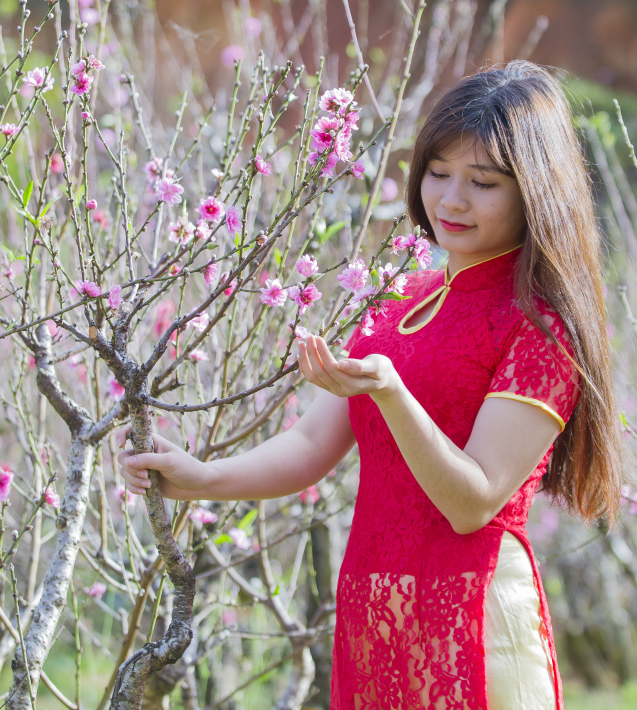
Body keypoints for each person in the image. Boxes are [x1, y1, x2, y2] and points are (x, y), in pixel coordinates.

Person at [118, 62, 623, 710]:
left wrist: (392, 393)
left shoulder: (539, 327)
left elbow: (472, 503)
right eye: (437, 172)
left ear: (535, 192)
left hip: (477, 621)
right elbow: (311, 445)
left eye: (483, 182)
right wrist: (201, 477)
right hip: (375, 617)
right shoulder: (397, 302)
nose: (451, 200)